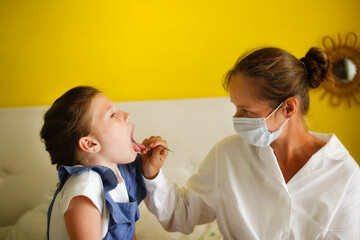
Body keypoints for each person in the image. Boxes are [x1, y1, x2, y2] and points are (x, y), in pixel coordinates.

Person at [141, 47, 360, 239]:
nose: (237, 119)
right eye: (236, 107)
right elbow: (183, 213)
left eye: (247, 111)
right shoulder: (228, 155)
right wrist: (152, 175)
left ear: (288, 108)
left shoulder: (344, 174)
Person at [40, 86, 168, 240]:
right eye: (112, 114)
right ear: (91, 144)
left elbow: (127, 232)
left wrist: (151, 172)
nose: (127, 115)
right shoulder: (84, 187)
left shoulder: (120, 175)